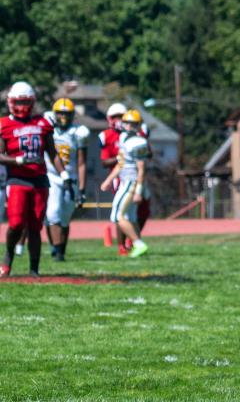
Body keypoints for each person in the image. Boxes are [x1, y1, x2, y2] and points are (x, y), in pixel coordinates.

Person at [0, 82, 72, 276]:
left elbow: (52, 152)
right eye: (19, 101)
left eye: (26, 101)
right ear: (10, 102)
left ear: (32, 102)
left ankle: (34, 270)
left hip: (40, 180)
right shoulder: (4, 124)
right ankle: (7, 257)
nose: (22, 106)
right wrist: (18, 160)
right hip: (17, 180)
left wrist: (64, 174)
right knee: (15, 224)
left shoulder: (43, 123)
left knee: (35, 227)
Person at [43, 98, 89, 261]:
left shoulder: (79, 132)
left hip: (72, 178)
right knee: (52, 213)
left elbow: (82, 163)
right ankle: (55, 248)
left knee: (65, 218)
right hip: (52, 176)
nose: (63, 117)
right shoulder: (48, 128)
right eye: (60, 113)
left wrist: (82, 189)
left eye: (66, 113)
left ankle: (60, 250)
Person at [100, 110, 149, 258]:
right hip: (124, 180)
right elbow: (121, 163)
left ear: (138, 125)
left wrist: (139, 191)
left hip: (131, 182)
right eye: (127, 123)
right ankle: (137, 246)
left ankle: (139, 244)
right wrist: (109, 180)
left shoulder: (139, 142)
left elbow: (141, 169)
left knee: (117, 215)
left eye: (133, 124)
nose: (129, 126)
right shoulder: (123, 138)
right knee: (131, 217)